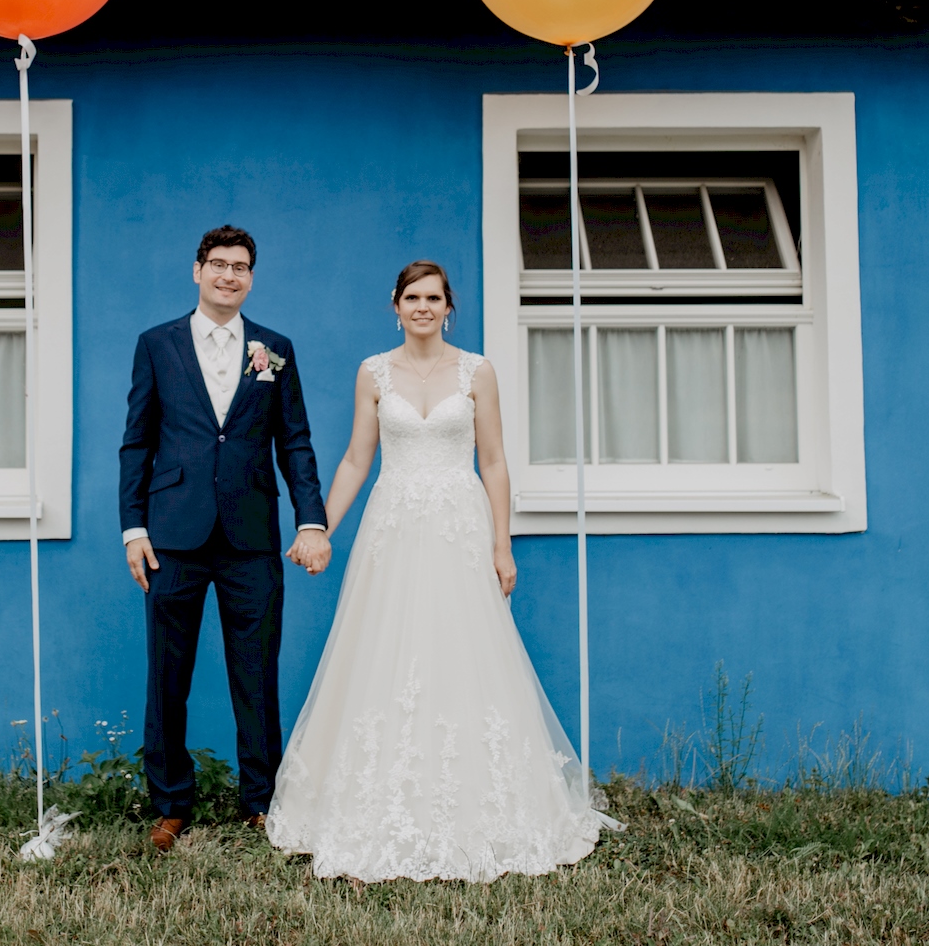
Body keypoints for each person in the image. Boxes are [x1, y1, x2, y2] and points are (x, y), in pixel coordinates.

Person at [265, 259, 618, 882]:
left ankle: (484, 805)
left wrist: (501, 545)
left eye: (433, 297)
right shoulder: (373, 372)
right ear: (394, 305)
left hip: (459, 526)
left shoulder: (476, 370)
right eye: (411, 297)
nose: (422, 307)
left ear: (447, 306)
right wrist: (318, 526)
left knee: (464, 651)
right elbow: (355, 459)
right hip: (393, 528)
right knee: (385, 653)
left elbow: (494, 460)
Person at [119, 226, 328, 853]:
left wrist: (310, 519)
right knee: (167, 676)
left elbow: (294, 440)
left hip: (251, 534)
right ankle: (170, 804)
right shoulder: (156, 344)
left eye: (240, 267)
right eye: (218, 265)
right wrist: (133, 528)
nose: (229, 276)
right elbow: (138, 440)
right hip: (172, 534)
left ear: (252, 277)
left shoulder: (275, 349)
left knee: (257, 673)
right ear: (197, 271)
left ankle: (261, 802)